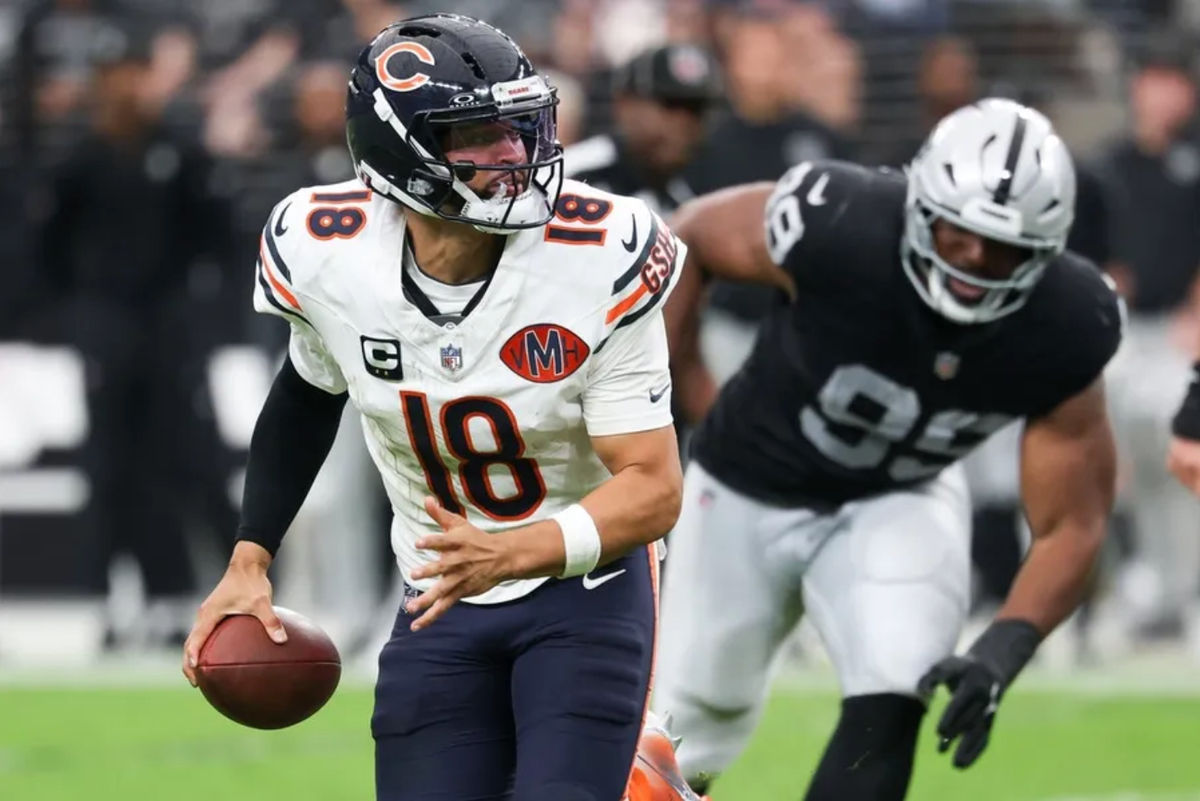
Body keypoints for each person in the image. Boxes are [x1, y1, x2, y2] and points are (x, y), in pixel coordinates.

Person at [179, 14, 699, 801]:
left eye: (522, 128)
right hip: (439, 595)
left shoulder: (600, 253)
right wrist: (249, 559)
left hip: (585, 585)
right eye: (480, 137)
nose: (515, 156)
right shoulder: (325, 251)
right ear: (399, 154)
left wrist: (517, 550)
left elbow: (655, 486)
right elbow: (307, 391)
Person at [656, 98, 1122, 800]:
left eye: (1004, 249)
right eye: (957, 233)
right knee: (686, 730)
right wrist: (675, 391)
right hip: (745, 483)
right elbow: (688, 240)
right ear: (918, 201)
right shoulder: (840, 219)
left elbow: (1073, 523)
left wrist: (1003, 649)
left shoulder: (1069, 321)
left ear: (1047, 250)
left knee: (898, 685)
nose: (973, 260)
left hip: (898, 494)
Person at [565, 43, 721, 216]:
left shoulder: (684, 200)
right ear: (624, 104)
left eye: (695, 110)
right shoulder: (570, 175)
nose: (682, 122)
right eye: (670, 104)